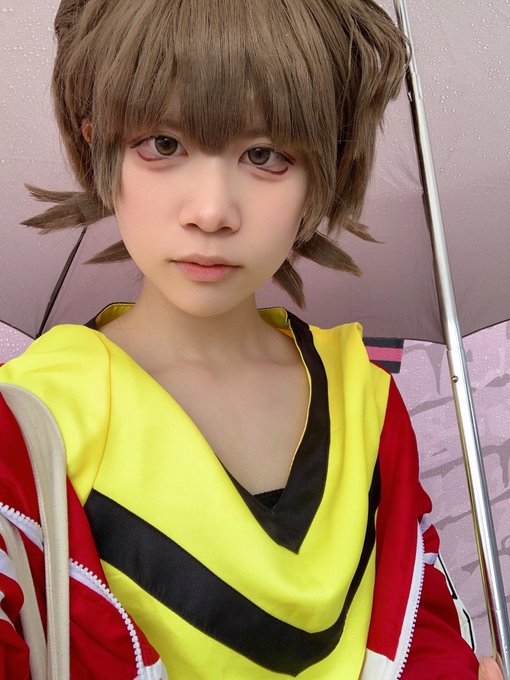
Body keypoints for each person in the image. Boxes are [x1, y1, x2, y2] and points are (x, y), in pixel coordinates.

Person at [0, 0, 505, 678]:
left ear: (326, 168)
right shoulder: (33, 422)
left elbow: (425, 631)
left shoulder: (364, 403)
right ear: (97, 146)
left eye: (264, 155)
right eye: (163, 145)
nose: (212, 211)